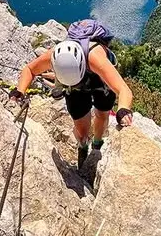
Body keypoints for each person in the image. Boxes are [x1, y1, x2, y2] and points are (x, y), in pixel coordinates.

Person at [10, 19, 134, 167]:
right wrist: (19, 91)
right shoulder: (55, 56)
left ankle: (97, 143)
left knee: (102, 114)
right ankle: (83, 144)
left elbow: (123, 89)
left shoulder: (95, 58)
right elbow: (30, 69)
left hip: (100, 80)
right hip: (73, 87)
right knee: (82, 129)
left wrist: (123, 110)